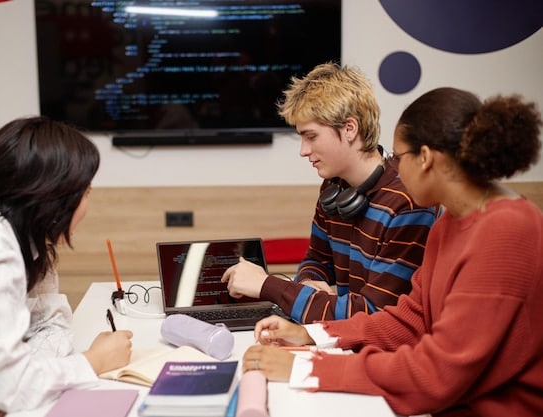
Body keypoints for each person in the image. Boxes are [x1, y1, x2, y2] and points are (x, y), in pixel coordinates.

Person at [242, 87, 543, 417]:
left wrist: (306, 368)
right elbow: (412, 320)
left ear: (425, 158)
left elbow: (435, 375)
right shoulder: (451, 223)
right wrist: (311, 334)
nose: (395, 170)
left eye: (399, 158)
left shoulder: (507, 232)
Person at [0, 116, 134, 417]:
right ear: (52, 194)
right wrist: (92, 361)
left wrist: (17, 378)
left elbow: (49, 322)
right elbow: (8, 387)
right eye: (85, 193)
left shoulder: (24, 241)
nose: (86, 205)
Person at [222, 62, 438, 323]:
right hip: (347, 339)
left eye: (311, 136)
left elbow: (374, 315)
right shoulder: (334, 188)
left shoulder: (407, 202)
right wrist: (310, 281)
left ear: (349, 129)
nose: (303, 150)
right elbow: (317, 259)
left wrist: (268, 286)